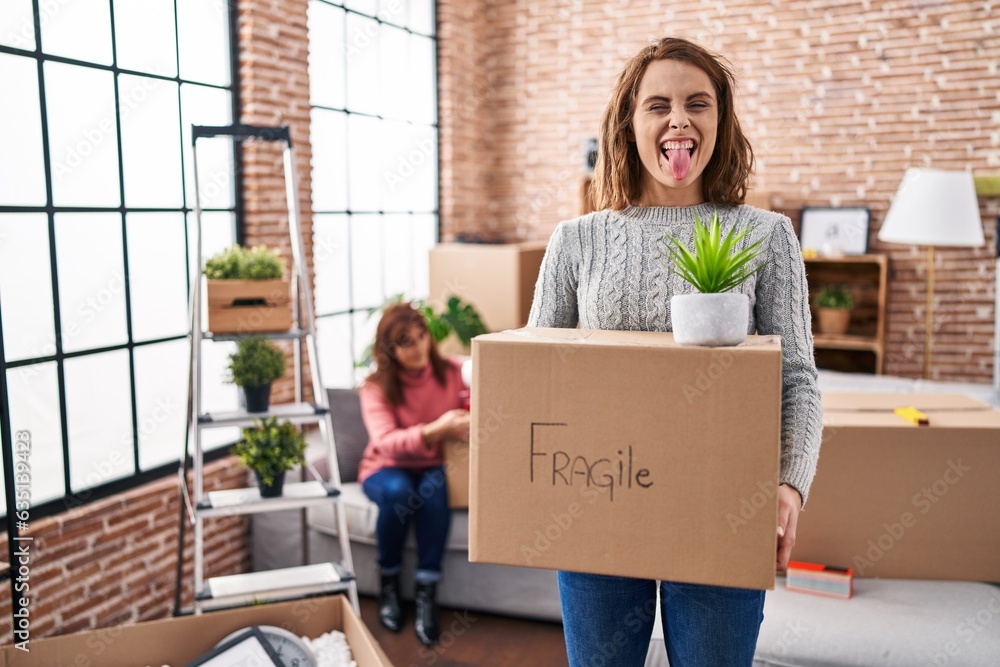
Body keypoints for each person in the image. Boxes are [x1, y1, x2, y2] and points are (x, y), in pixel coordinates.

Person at [527, 37, 822, 666]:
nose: (679, 120)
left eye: (698, 103)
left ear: (722, 120)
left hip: (723, 509)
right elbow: (535, 380)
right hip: (596, 510)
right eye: (657, 104)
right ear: (629, 123)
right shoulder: (576, 242)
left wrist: (789, 486)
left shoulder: (766, 237)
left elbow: (796, 380)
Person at [357, 302, 470, 646]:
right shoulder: (375, 387)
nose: (419, 347)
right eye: (407, 341)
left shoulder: (452, 372)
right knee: (398, 491)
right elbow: (387, 443)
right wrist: (437, 429)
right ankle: (388, 582)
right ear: (389, 350)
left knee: (434, 489)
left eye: (422, 337)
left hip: (431, 466)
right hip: (385, 468)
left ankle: (426, 593)